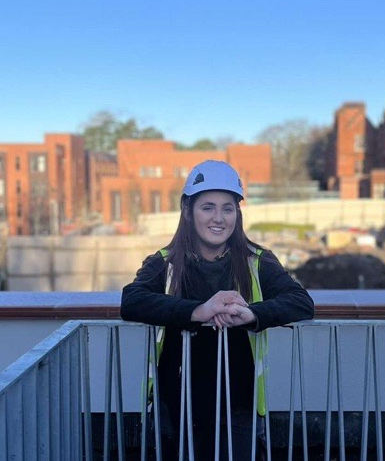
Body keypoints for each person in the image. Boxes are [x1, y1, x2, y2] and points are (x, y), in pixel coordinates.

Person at [121, 160, 315, 460]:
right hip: (175, 403)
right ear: (187, 211)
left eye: (228, 208)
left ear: (238, 213)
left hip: (238, 405)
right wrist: (199, 311)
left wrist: (252, 315)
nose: (219, 218)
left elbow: (301, 302)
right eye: (208, 207)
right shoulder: (165, 261)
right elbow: (132, 300)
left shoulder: (257, 260)